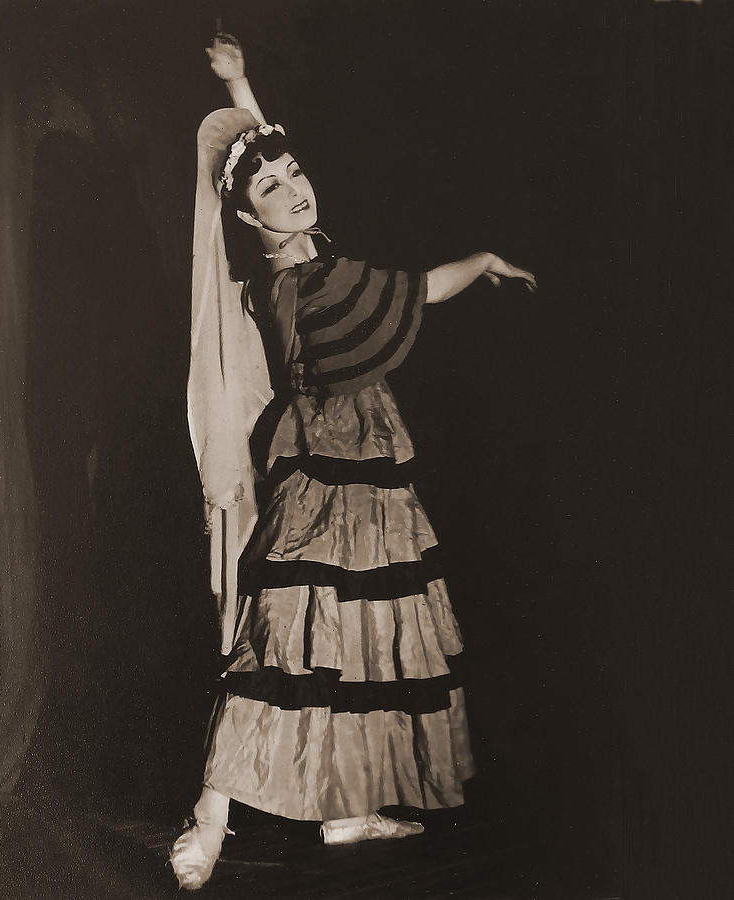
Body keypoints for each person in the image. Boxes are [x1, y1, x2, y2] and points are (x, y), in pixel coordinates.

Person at [171, 33, 537, 891]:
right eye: (274, 189)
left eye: (297, 172)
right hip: (328, 478)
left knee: (364, 635)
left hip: (371, 473)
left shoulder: (303, 249)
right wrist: (479, 260)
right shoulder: (303, 287)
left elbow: (266, 168)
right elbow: (413, 290)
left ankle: (344, 807)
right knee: (286, 645)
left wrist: (241, 85)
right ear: (246, 220)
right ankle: (210, 822)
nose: (295, 189)